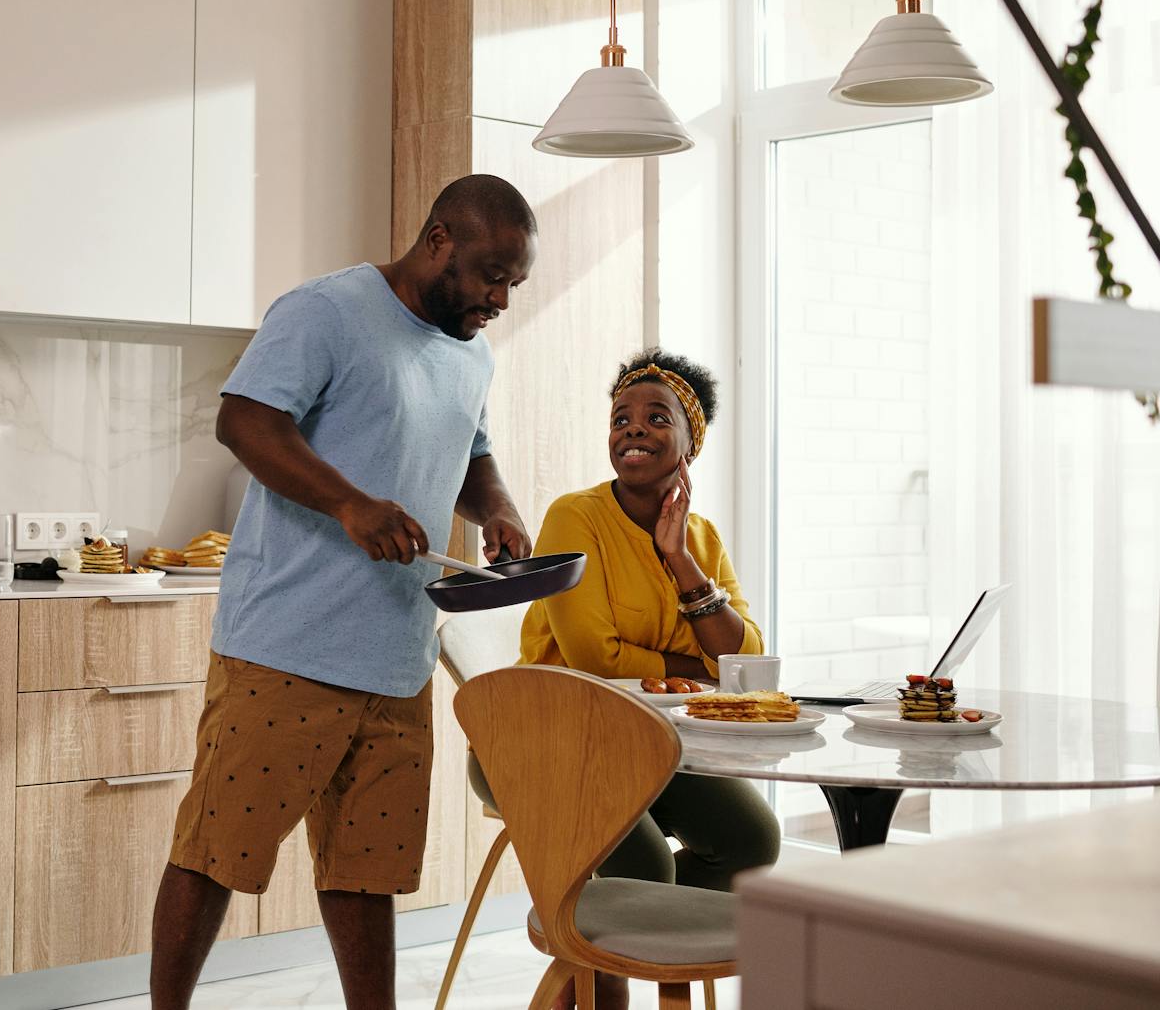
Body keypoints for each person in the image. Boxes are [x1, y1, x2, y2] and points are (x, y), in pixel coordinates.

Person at [149, 174, 539, 1010]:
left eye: (514, 282)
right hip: (286, 646)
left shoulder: (472, 351)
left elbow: (470, 450)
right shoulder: (326, 312)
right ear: (439, 240)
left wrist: (498, 505)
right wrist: (348, 502)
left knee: (365, 872)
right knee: (216, 847)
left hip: (399, 657)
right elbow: (246, 421)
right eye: (490, 275)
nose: (500, 298)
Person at [518, 348, 781, 1010]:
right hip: (547, 737)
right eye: (620, 418)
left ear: (691, 445)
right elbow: (595, 658)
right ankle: (604, 987)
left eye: (656, 417)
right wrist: (696, 667)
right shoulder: (573, 517)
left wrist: (682, 562)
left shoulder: (703, 538)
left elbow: (745, 662)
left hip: (654, 746)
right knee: (642, 865)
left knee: (750, 840)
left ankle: (665, 976)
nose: (632, 428)